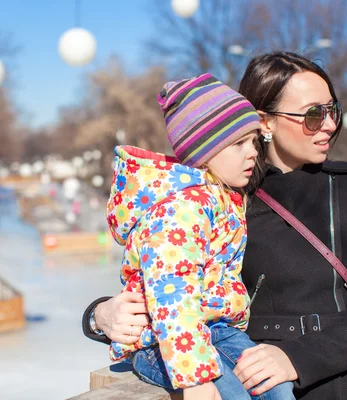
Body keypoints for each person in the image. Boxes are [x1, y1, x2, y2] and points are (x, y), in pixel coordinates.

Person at [82, 52, 347, 400]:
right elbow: (168, 282)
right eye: (313, 114)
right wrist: (99, 315)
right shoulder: (221, 197)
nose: (330, 124)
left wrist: (297, 358)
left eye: (332, 110)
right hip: (256, 377)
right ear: (266, 122)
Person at [103, 73, 296, 400]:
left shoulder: (224, 197)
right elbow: (173, 293)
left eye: (253, 141)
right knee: (231, 395)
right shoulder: (179, 210)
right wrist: (194, 379)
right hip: (164, 341)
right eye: (238, 144)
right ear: (204, 152)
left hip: (219, 332)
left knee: (276, 388)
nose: (252, 153)